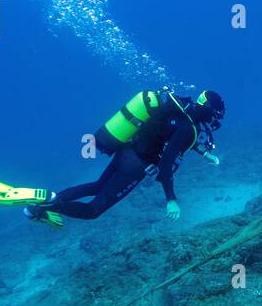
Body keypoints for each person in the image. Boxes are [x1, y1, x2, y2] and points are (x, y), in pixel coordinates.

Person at [24, 88, 224, 223]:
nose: (214, 120)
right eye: (214, 115)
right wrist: (171, 199)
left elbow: (171, 137)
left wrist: (205, 154)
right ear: (208, 111)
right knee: (93, 211)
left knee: (96, 186)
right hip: (136, 167)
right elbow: (166, 163)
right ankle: (47, 206)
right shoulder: (189, 129)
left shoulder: (182, 106)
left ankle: (50, 199)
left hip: (126, 150)